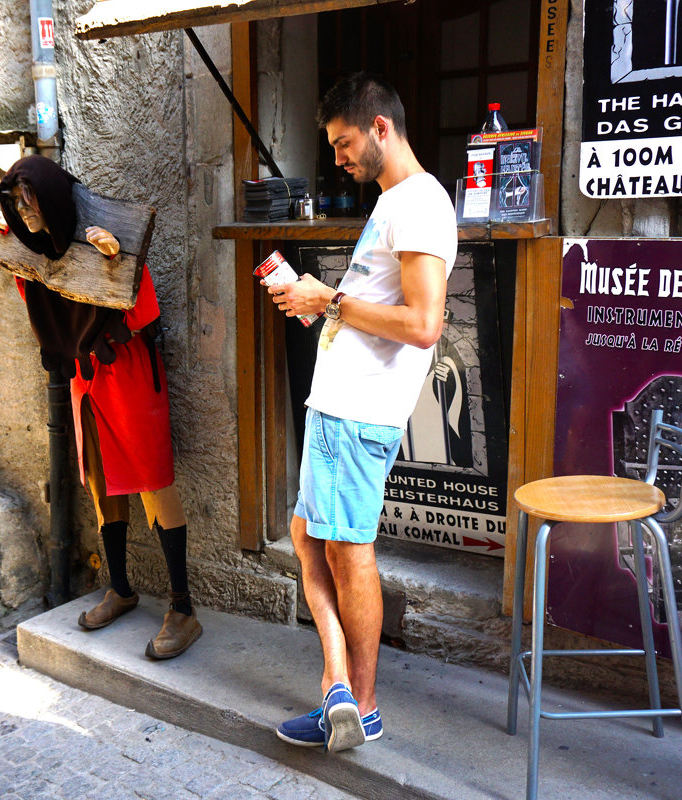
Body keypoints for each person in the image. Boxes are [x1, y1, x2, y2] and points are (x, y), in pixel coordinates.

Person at [267, 73, 457, 752]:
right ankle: (339, 684)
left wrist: (330, 302)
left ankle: (359, 703)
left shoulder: (420, 203)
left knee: (350, 555)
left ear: (380, 127)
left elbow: (425, 323)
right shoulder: (396, 202)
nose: (339, 158)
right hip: (339, 407)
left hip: (357, 412)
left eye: (345, 143)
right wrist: (317, 301)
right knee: (307, 535)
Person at [0, 155, 201, 659]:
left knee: (151, 481)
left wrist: (116, 259)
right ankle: (120, 588)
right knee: (101, 482)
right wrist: (9, 239)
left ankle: (183, 609)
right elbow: (38, 290)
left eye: (31, 206)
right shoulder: (33, 245)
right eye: (18, 208)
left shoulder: (101, 240)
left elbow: (144, 313)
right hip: (85, 378)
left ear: (53, 202)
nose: (27, 217)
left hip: (129, 372)